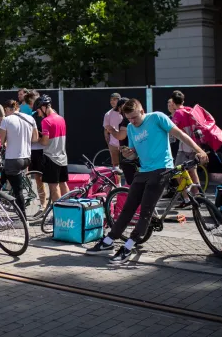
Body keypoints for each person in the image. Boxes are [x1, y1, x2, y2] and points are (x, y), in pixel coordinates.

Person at [87, 98, 208, 262]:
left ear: (142, 111)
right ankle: (109, 240)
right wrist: (129, 153)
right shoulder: (130, 128)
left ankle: (129, 245)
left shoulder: (157, 118)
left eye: (135, 117)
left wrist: (199, 150)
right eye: (129, 118)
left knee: (146, 210)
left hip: (161, 169)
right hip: (143, 170)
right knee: (128, 207)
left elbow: (180, 134)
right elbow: (135, 152)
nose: (132, 121)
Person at [0, 99, 38, 214]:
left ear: (7, 109)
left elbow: (0, 141)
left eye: (5, 111)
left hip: (13, 159)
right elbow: (35, 139)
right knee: (6, 179)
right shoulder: (30, 118)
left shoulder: (6, 120)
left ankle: (23, 219)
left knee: (17, 191)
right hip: (27, 157)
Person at [167, 90, 201, 208]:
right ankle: (198, 196)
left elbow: (172, 130)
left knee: (176, 171)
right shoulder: (189, 110)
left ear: (173, 101)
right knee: (193, 171)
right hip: (195, 146)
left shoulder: (178, 113)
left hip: (184, 147)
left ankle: (187, 199)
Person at [34, 95, 69, 203]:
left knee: (54, 187)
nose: (38, 114)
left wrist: (37, 138)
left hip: (51, 158)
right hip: (62, 157)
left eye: (38, 110)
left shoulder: (46, 121)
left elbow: (45, 141)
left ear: (43, 107)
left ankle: (58, 214)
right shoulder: (61, 118)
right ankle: (69, 208)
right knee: (63, 184)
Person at [24, 90, 46, 214]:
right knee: (38, 178)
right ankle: (42, 204)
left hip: (45, 150)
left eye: (33, 102)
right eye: (31, 103)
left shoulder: (46, 115)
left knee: (50, 179)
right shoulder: (32, 116)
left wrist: (40, 137)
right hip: (34, 150)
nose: (32, 105)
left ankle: (52, 204)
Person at [103, 92, 122, 168]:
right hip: (113, 144)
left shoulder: (125, 113)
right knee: (116, 167)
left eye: (114, 99)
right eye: (111, 100)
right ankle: (118, 180)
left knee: (128, 166)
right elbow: (106, 130)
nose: (112, 101)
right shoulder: (108, 114)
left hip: (125, 144)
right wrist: (109, 144)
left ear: (119, 100)